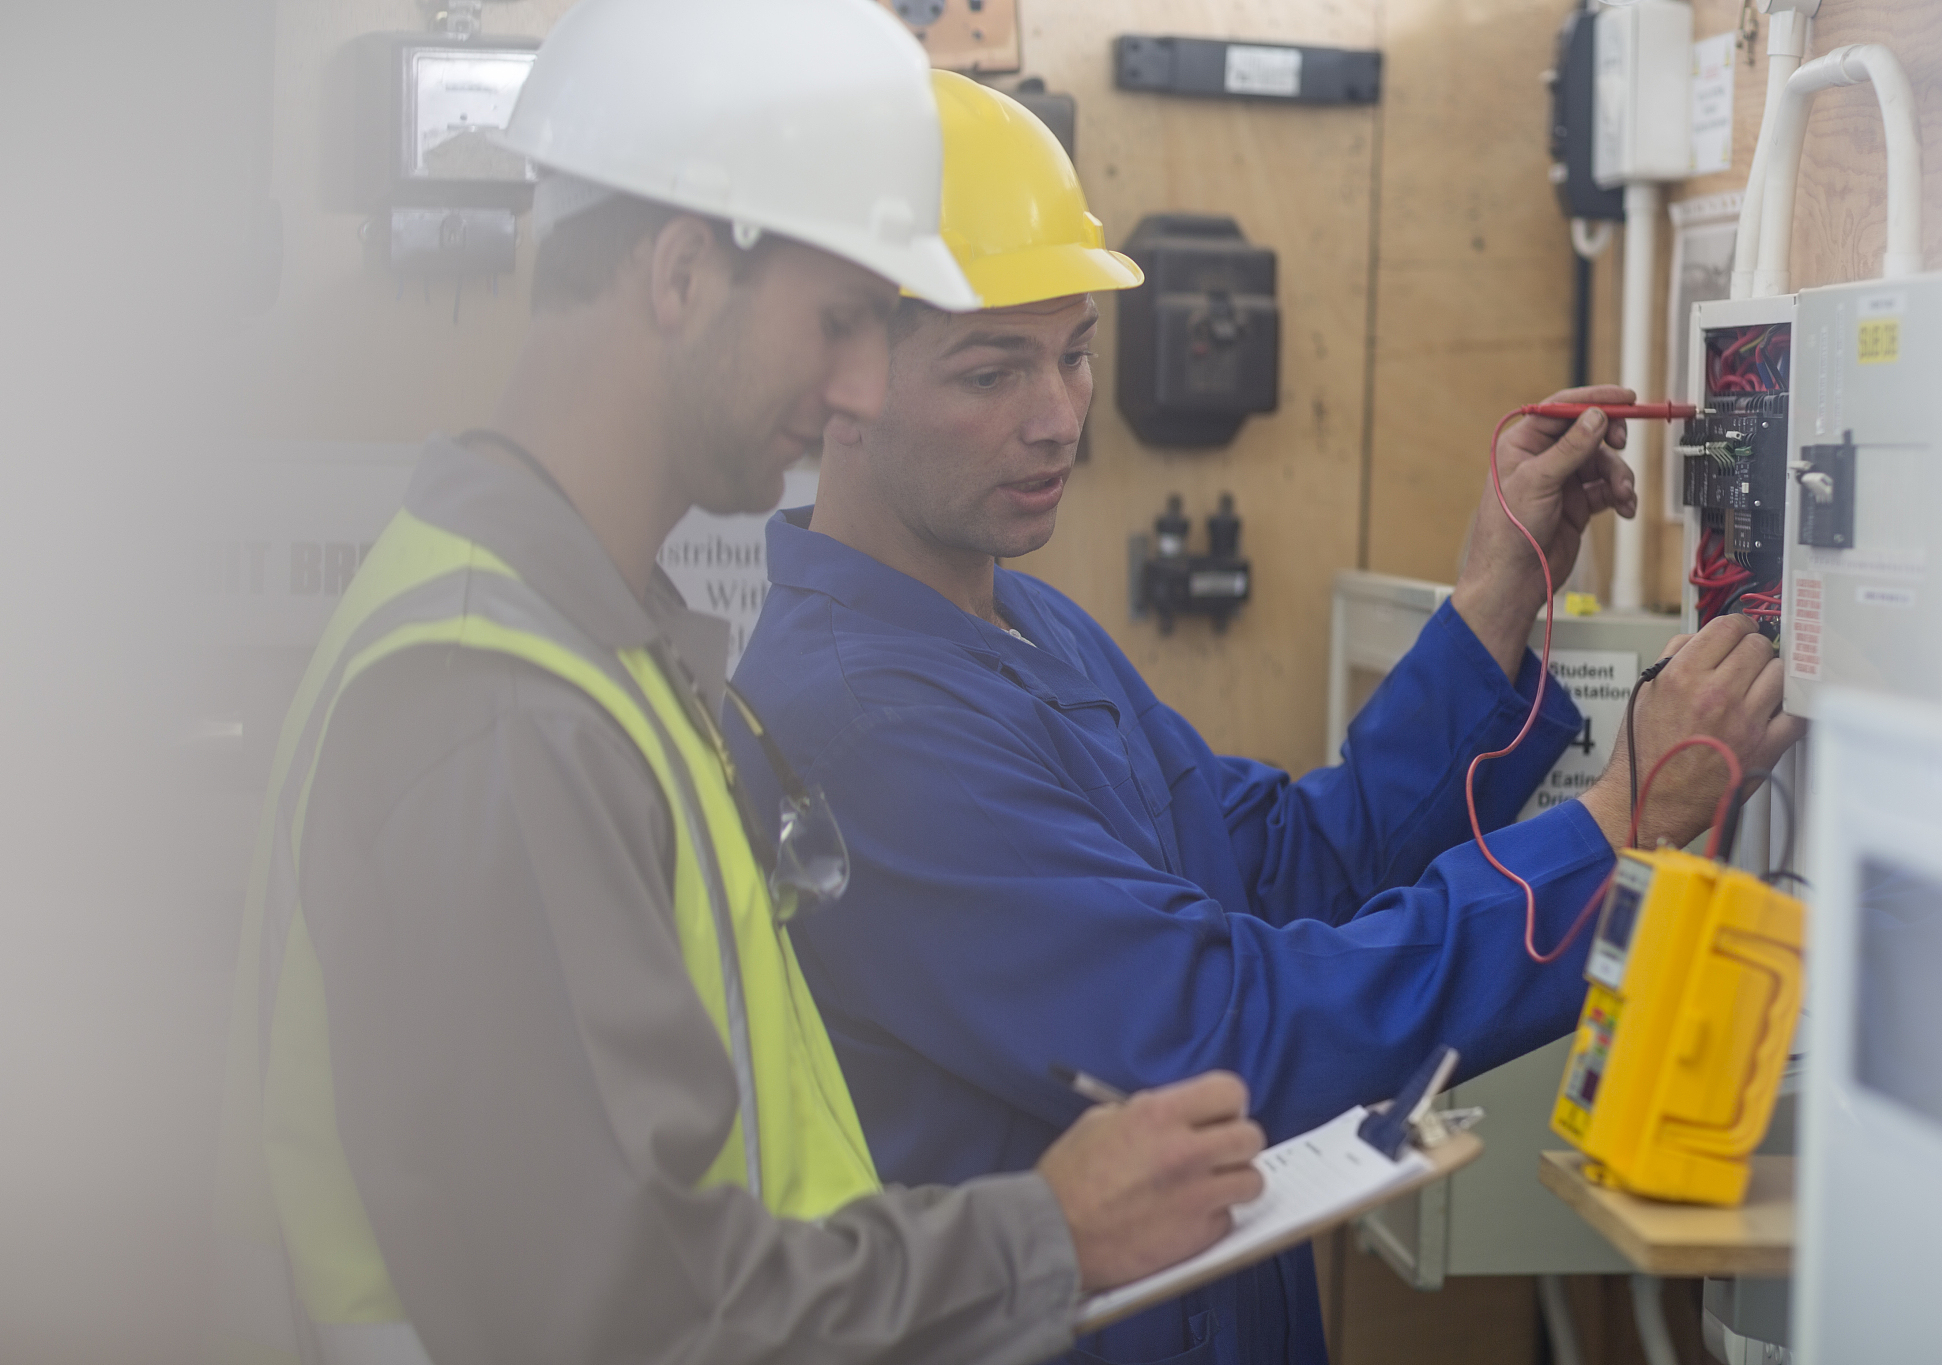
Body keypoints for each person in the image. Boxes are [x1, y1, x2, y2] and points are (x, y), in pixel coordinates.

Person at [208, 6, 1268, 1365]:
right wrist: (1047, 1234)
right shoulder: (500, 707)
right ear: (681, 274)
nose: (860, 387)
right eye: (840, 320)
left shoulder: (593, 646)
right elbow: (633, 1318)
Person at [731, 72, 1802, 1365]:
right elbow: (1220, 1031)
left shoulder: (1022, 624)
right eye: (990, 370)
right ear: (843, 382)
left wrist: (1489, 610)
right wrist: (1619, 827)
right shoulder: (864, 725)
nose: (1058, 415)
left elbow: (1290, 863)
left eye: (1073, 353)